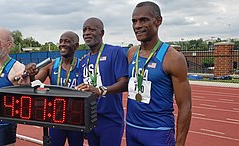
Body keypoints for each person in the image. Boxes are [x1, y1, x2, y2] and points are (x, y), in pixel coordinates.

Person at [126, 1, 192, 146]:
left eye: (143, 20)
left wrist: (180, 143)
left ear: (158, 21)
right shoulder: (131, 53)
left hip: (158, 132)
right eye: (134, 21)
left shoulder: (172, 58)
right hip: (131, 127)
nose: (137, 26)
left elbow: (185, 105)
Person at [23, 31, 84, 146]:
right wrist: (31, 73)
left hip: (76, 119)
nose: (62, 44)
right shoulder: (51, 65)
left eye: (67, 41)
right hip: (56, 118)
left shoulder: (82, 65)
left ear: (76, 46)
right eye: (61, 41)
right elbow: (35, 84)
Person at [75, 17, 128, 146]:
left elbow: (125, 82)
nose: (87, 32)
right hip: (90, 119)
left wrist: (100, 90)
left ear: (102, 33)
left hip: (110, 120)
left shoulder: (115, 52)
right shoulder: (83, 61)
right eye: (84, 30)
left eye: (92, 29)